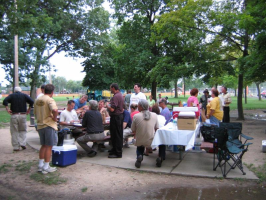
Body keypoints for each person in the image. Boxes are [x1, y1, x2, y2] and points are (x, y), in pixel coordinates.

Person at [34, 84, 58, 174]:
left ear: (43, 90)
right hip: (48, 125)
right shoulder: (50, 99)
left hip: (40, 125)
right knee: (49, 146)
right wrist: (55, 118)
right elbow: (55, 110)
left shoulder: (37, 100)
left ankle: (40, 165)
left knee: (43, 145)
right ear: (52, 92)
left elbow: (35, 113)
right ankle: (46, 166)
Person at [3, 86, 34, 151]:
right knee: (22, 130)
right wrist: (29, 109)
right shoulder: (24, 95)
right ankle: (22, 143)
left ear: (15, 90)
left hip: (14, 115)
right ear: (21, 90)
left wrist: (7, 109)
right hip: (23, 115)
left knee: (14, 131)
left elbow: (5, 101)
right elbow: (32, 101)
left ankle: (16, 146)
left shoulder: (12, 96)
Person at [131, 99, 159, 168]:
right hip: (151, 140)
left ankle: (139, 156)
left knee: (140, 145)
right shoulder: (154, 115)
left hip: (140, 140)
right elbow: (157, 128)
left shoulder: (136, 116)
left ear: (140, 106)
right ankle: (160, 156)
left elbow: (133, 130)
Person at [106, 83, 124, 158]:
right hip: (119, 117)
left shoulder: (116, 96)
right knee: (116, 134)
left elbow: (112, 109)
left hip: (116, 117)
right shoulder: (120, 95)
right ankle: (115, 149)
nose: (110, 90)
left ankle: (118, 153)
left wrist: (107, 105)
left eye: (110, 88)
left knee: (116, 135)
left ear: (113, 88)